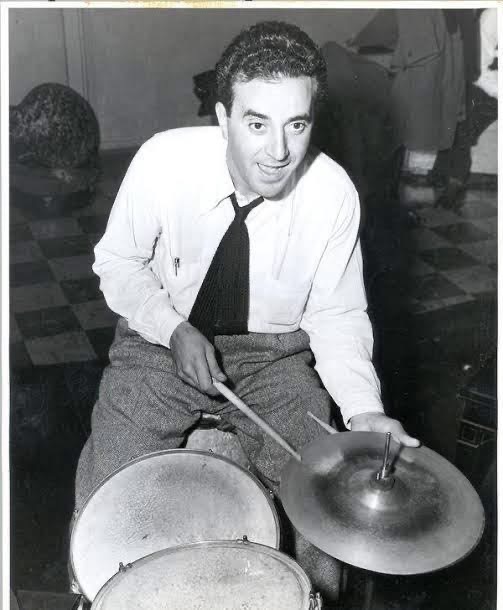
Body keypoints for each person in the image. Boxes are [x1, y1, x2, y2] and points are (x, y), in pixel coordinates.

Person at [74, 20, 419, 602]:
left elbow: (336, 315)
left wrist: (364, 411)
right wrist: (172, 328)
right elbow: (117, 262)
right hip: (158, 344)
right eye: (257, 124)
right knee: (106, 501)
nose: (279, 151)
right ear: (223, 116)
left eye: (296, 124)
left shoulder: (333, 193)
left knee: (323, 503)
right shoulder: (163, 162)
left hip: (274, 359)